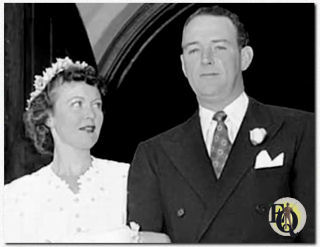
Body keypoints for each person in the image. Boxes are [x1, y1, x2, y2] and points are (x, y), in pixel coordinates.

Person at [127, 5, 314, 243]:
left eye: (219, 47)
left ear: (245, 58)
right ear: (184, 65)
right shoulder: (154, 154)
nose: (206, 60)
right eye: (194, 51)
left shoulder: (302, 130)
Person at [3, 57, 171, 243]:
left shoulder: (130, 178)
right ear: (48, 116)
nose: (91, 114)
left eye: (96, 105)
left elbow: (165, 240)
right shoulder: (17, 196)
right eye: (77, 104)